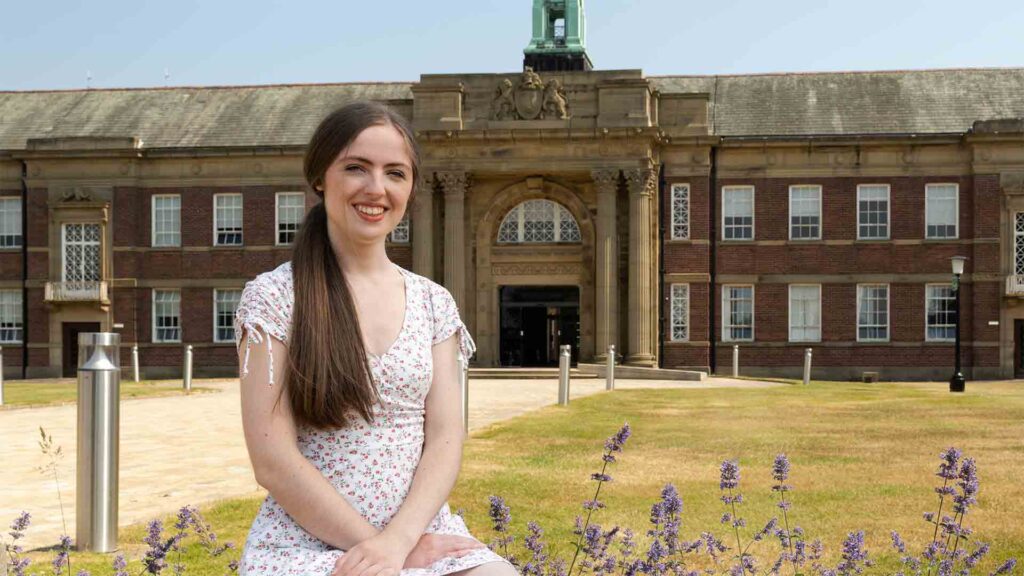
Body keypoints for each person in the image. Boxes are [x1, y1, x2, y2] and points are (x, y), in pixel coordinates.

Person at [233, 101, 516, 576]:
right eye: (356, 168)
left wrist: (401, 541)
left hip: (418, 533)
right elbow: (272, 459)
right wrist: (379, 550)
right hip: (306, 541)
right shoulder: (275, 298)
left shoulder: (433, 302)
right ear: (320, 177)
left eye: (395, 173)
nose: (376, 189)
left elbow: (446, 437)